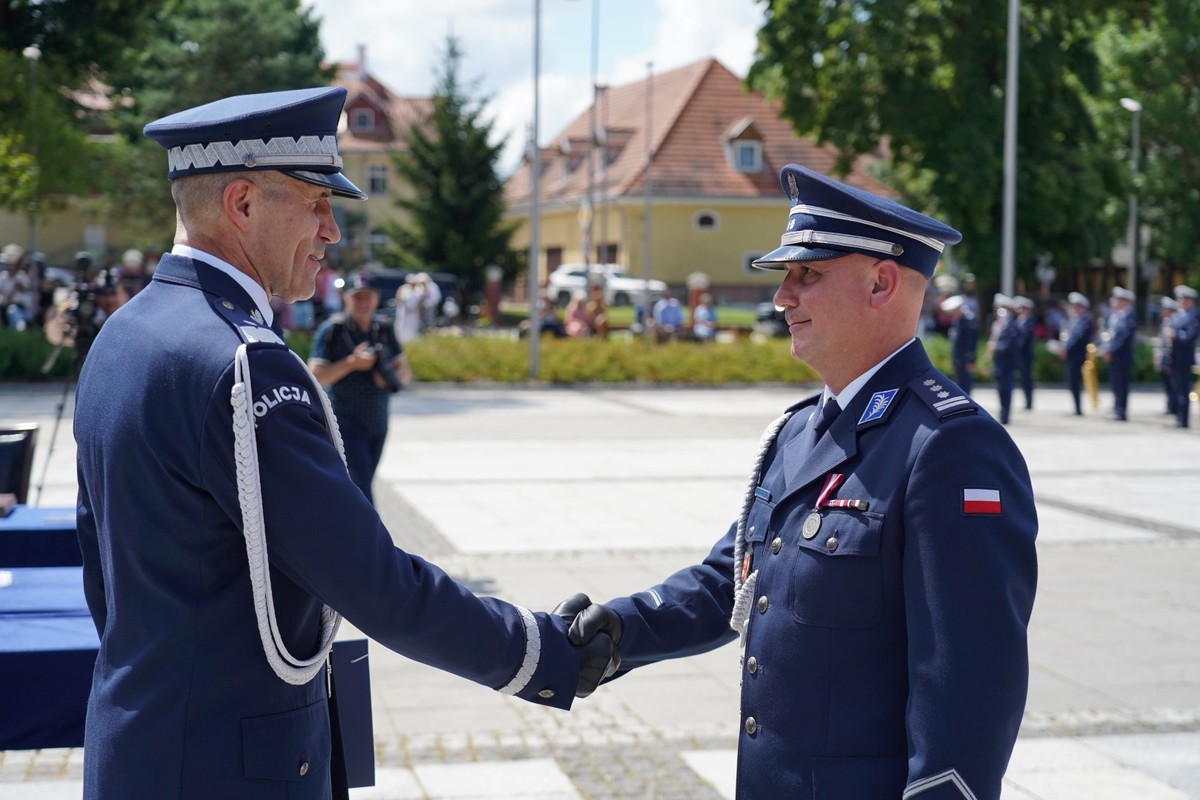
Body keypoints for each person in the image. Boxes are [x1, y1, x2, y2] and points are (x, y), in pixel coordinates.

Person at [72, 87, 617, 800]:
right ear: (242, 204)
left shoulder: (125, 334)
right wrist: (539, 651)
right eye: (316, 202)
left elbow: (102, 574)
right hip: (227, 764)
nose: (331, 231)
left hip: (141, 741)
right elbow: (372, 581)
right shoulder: (242, 362)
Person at [555, 164, 1037, 799]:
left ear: (881, 283)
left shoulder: (950, 446)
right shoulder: (799, 431)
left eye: (807, 275)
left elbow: (968, 686)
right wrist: (621, 627)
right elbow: (733, 580)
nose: (783, 296)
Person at [309, 272, 410, 505]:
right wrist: (352, 363)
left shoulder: (383, 328)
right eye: (358, 297)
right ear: (346, 298)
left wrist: (388, 378)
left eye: (368, 297)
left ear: (377, 298)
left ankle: (343, 525)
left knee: (363, 482)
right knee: (361, 488)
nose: (364, 303)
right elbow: (316, 375)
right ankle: (372, 529)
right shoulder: (333, 329)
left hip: (377, 420)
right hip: (345, 422)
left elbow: (405, 373)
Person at [1099, 286, 1137, 421]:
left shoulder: (1129, 317)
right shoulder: (1115, 316)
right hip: (1113, 355)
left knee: (1122, 384)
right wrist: (1105, 348)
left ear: (1125, 301)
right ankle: (1116, 408)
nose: (1115, 302)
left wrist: (1111, 350)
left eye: (1118, 300)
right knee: (1115, 383)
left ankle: (1121, 411)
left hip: (1122, 356)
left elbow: (1124, 338)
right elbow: (1109, 335)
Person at [1167, 284, 1199, 428]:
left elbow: (1189, 337)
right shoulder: (1178, 315)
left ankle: (1183, 419)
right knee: (1177, 388)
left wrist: (1175, 335)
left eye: (1183, 299)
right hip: (1175, 356)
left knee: (1183, 389)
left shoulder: (1194, 316)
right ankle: (1178, 417)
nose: (1180, 302)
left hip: (1184, 358)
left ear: (1190, 300)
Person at [1060, 292, 1095, 416]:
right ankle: (1076, 406)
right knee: (1072, 381)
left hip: (1078, 355)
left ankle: (1078, 407)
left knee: (1076, 381)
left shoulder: (1085, 319)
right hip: (1071, 355)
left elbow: (1078, 338)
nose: (1073, 308)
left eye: (1075, 306)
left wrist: (1067, 349)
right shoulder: (1073, 319)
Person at [988, 293, 1020, 424]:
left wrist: (995, 347)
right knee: (1000, 389)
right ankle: (1002, 414)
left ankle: (1005, 415)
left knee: (1006, 389)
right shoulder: (999, 324)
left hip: (1007, 363)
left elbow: (1009, 345)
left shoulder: (1012, 325)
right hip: (999, 362)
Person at [942, 293, 978, 394]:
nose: (953, 315)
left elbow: (971, 343)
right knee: (960, 384)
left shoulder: (968, 322)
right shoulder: (958, 321)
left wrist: (970, 360)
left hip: (965, 359)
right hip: (958, 359)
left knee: (965, 385)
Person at [1154, 296, 1178, 417]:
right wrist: (1157, 355)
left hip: (1172, 357)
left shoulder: (1175, 322)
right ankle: (1170, 406)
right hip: (1165, 356)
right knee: (1167, 383)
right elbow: (1161, 341)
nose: (1162, 312)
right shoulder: (1165, 323)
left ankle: (1174, 407)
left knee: (1174, 383)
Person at [1013, 296, 1037, 410]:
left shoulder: (1030, 321)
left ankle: (1029, 402)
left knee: (1027, 379)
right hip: (1018, 355)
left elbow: (1025, 339)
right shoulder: (1018, 321)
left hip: (1025, 355)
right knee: (1022, 379)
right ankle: (1026, 401)